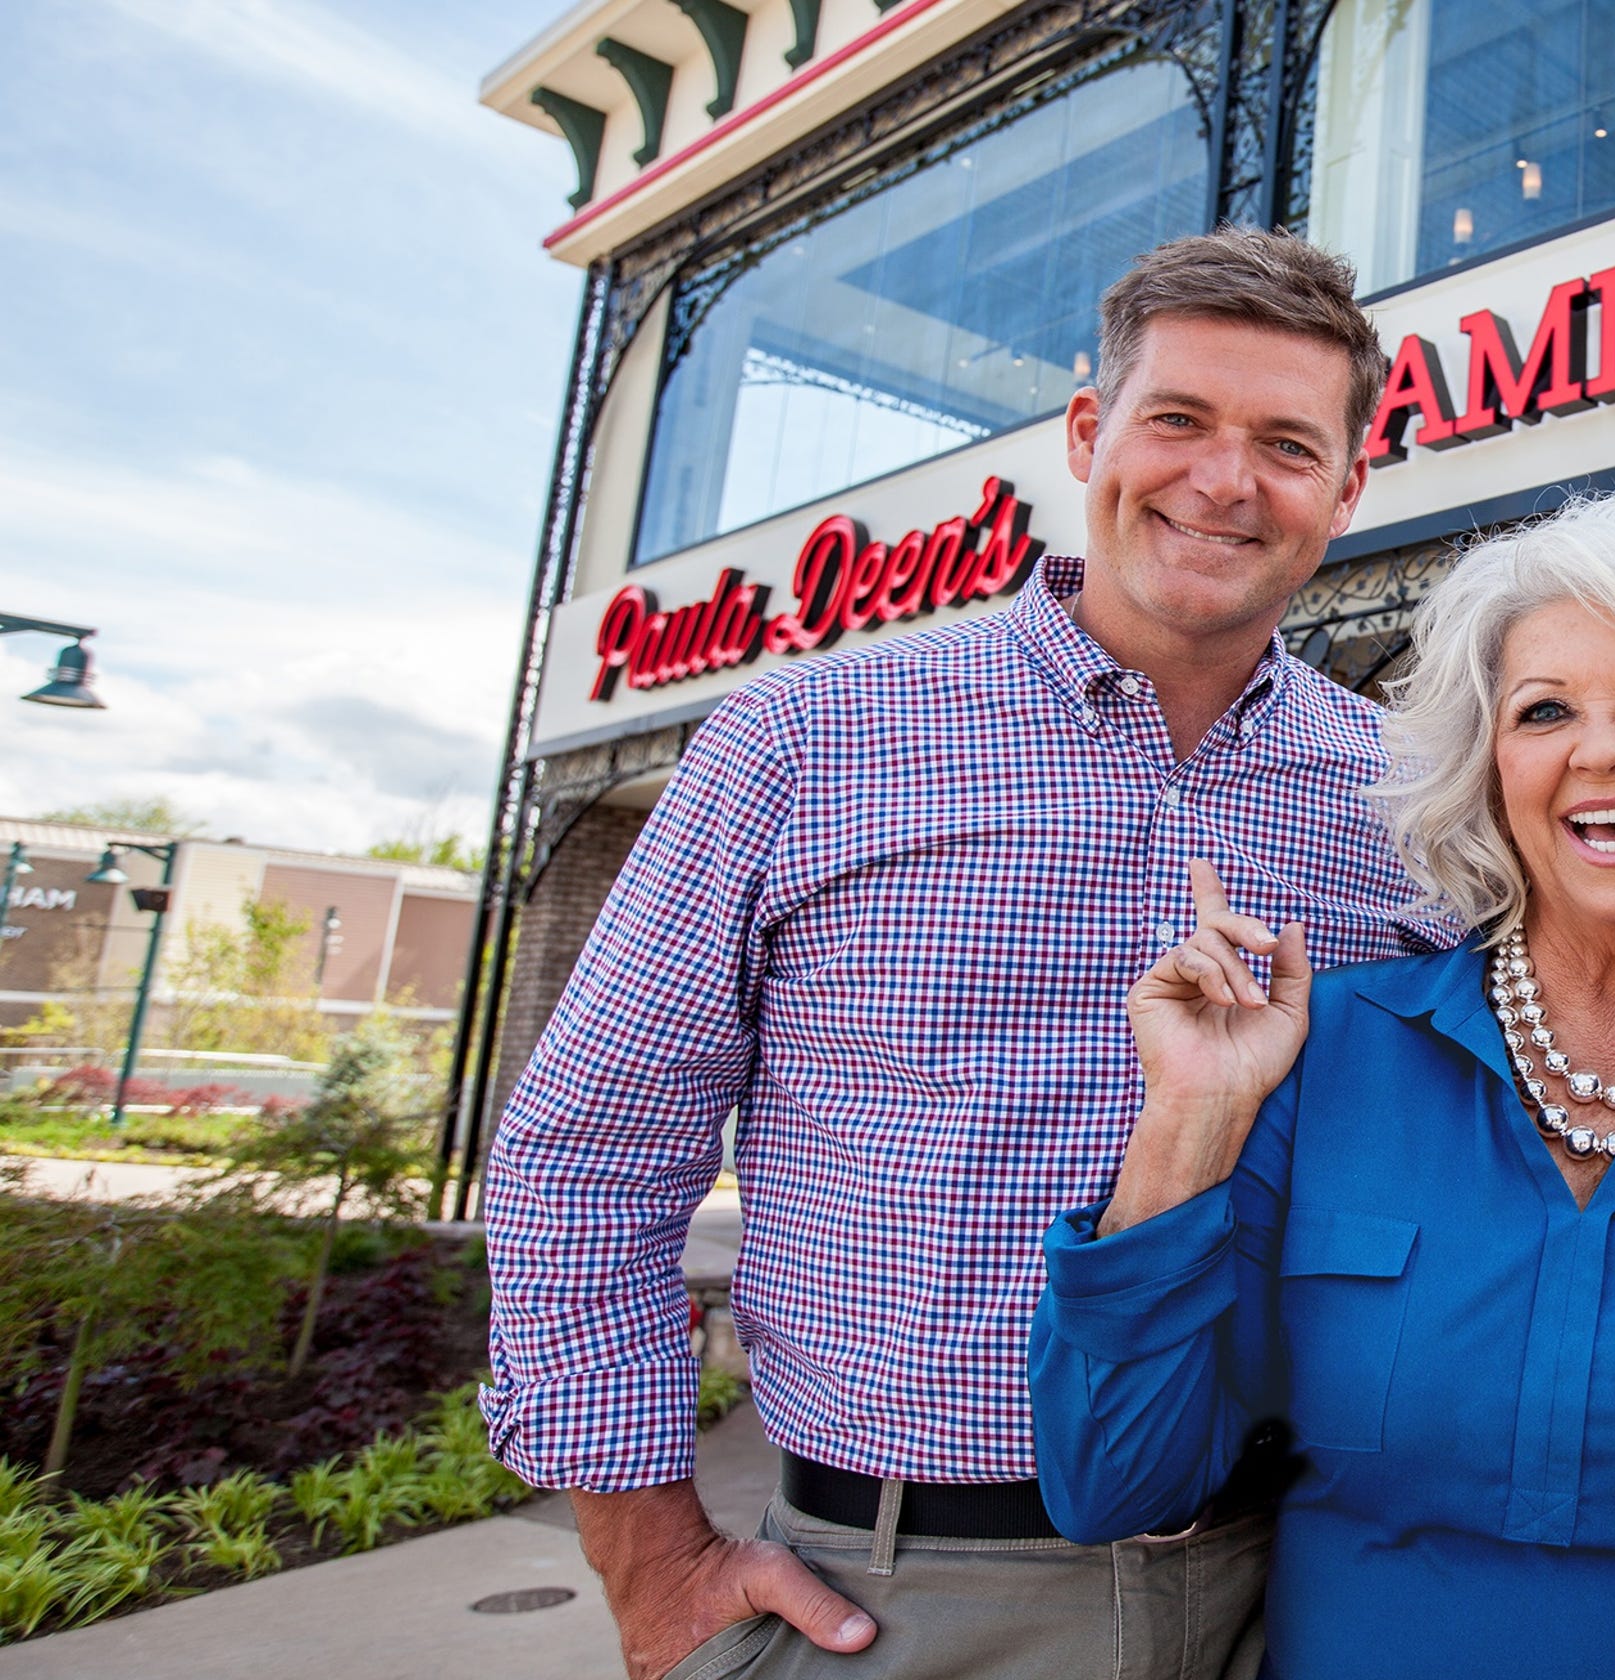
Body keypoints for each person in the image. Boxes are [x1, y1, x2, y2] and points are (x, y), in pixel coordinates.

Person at [481, 228, 1453, 1680]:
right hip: (911, 1596)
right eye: (1176, 420)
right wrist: (654, 1560)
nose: (1223, 480)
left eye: (1286, 443)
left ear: (1347, 487)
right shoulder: (803, 741)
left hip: (1311, 1581)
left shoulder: (1411, 792)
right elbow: (589, 1157)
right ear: (1087, 433)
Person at [1027, 495, 1615, 1679]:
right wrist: (1187, 1117)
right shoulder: (1328, 1049)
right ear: (1487, 774)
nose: (1601, 751)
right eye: (1544, 712)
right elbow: (1114, 1480)